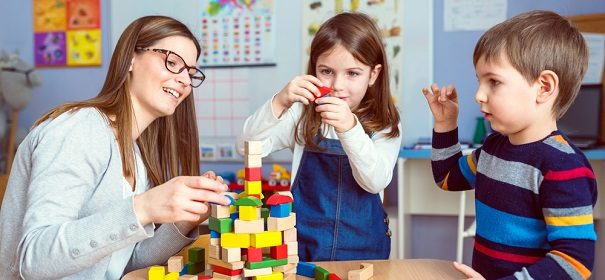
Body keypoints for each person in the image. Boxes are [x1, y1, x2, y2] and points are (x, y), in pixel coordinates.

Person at [0, 16, 231, 279]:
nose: (185, 82)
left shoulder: (135, 155)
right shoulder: (79, 128)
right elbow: (34, 258)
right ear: (130, 59)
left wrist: (184, 220)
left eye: (190, 73)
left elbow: (120, 262)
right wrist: (143, 207)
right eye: (172, 62)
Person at [422, 10, 597, 279]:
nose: (479, 95)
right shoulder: (493, 148)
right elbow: (448, 177)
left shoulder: (563, 166)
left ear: (544, 87)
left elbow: (575, 261)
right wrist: (446, 125)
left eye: (494, 82)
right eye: (479, 81)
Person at [237, 12, 401, 261]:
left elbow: (375, 181)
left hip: (365, 253)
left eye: (353, 73)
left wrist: (349, 128)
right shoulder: (302, 114)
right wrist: (279, 102)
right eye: (326, 71)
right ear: (314, 68)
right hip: (302, 250)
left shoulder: (386, 122)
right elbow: (247, 147)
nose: (337, 85)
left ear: (374, 75)